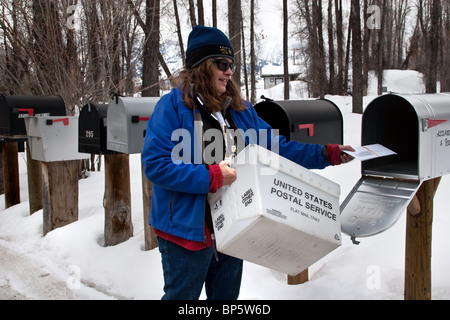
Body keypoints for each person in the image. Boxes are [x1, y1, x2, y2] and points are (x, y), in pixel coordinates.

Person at [142, 25, 354, 300]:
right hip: (186, 233)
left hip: (233, 228)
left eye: (231, 64)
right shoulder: (171, 107)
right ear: (202, 66)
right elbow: (156, 165)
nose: (229, 70)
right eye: (222, 63)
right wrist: (211, 177)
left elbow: (277, 149)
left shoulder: (240, 111)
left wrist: (327, 154)